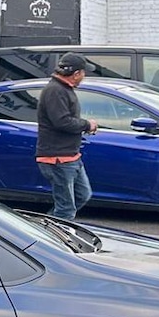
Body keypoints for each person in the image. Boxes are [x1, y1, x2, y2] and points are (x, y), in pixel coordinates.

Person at [36, 51, 99, 220]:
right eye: (84, 73)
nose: (84, 76)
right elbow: (62, 121)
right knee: (66, 209)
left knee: (83, 195)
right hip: (57, 159)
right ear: (76, 73)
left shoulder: (63, 89)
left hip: (71, 157)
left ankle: (47, 227)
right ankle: (52, 239)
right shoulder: (55, 91)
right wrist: (87, 124)